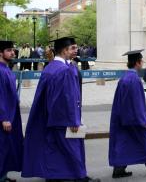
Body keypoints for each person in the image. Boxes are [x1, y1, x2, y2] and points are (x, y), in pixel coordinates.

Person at [22, 37, 99, 182]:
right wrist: (73, 120)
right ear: (65, 50)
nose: (76, 50)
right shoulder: (64, 70)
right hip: (63, 119)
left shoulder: (50, 67)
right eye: (73, 48)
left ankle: (53, 177)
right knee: (72, 150)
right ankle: (80, 177)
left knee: (55, 150)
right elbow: (66, 98)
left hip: (51, 117)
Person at [109, 50, 146, 178]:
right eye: (141, 61)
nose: (142, 63)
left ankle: (119, 169)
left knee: (123, 142)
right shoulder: (134, 79)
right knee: (144, 139)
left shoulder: (125, 77)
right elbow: (137, 102)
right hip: (133, 117)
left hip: (122, 116)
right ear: (137, 63)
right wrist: (143, 119)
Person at [0, 41, 23, 182]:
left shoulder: (6, 69)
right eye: (9, 50)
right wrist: (4, 118)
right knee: (2, 149)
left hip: (11, 115)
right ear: (0, 53)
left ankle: (3, 175)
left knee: (8, 148)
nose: (13, 53)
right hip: (5, 117)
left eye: (13, 50)